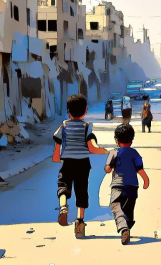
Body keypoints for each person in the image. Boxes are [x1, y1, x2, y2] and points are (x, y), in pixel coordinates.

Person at [53, 94, 109, 238]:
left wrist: (56, 157)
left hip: (67, 162)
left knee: (63, 184)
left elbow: (58, 142)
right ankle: (79, 222)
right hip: (83, 163)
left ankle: (63, 206)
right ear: (85, 110)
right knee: (81, 190)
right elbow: (91, 147)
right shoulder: (86, 127)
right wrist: (104, 151)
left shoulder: (64, 125)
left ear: (68, 111)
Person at [105, 124, 150, 245]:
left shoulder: (114, 153)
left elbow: (108, 169)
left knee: (115, 205)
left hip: (118, 185)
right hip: (132, 186)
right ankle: (127, 227)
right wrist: (146, 180)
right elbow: (140, 169)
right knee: (128, 209)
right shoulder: (135, 153)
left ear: (116, 140)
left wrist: (110, 166)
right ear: (131, 140)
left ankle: (123, 228)